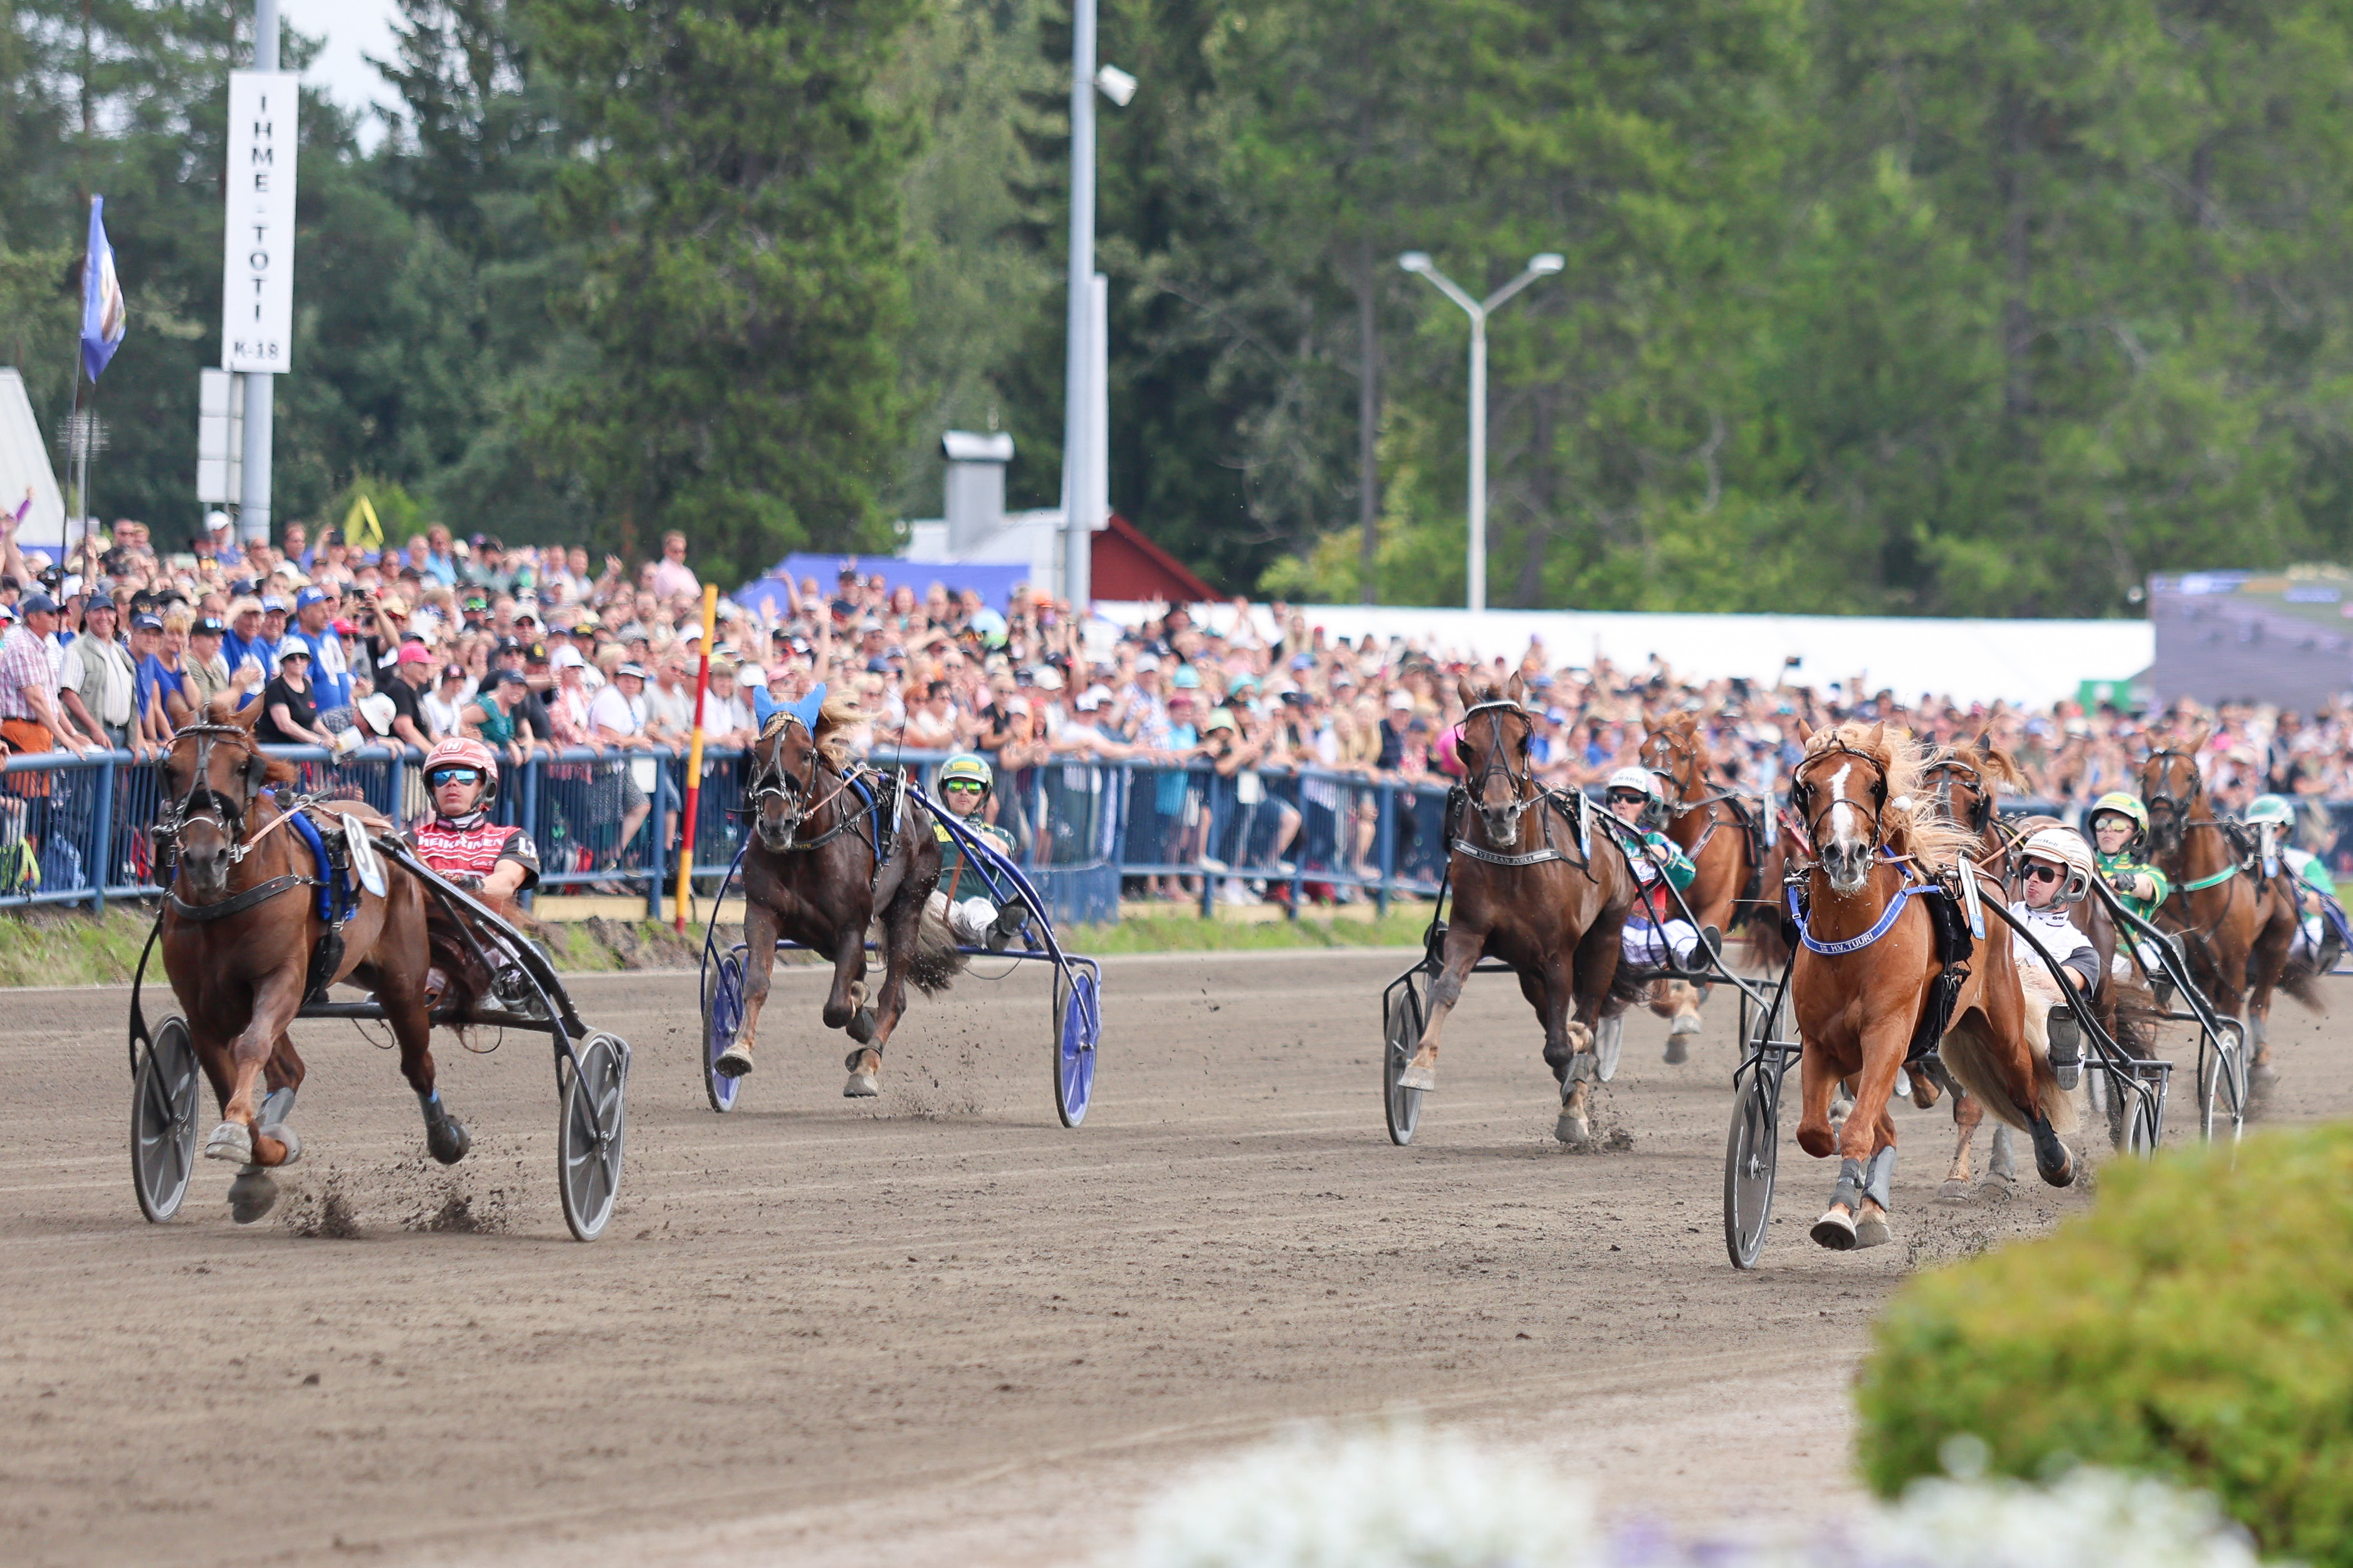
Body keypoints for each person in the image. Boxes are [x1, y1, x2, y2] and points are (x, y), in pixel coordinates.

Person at [2008, 826, 2103, 1085]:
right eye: (2028, 870)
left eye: (2046, 874)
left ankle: (2063, 1054)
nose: (2032, 879)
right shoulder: (1997, 914)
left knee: (2050, 1019)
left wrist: (2014, 969)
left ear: (2072, 885)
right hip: (1991, 1009)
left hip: (2036, 1025)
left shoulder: (2080, 949)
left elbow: (2059, 987)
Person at [1603, 766, 1710, 971]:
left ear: (1649, 805)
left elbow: (1686, 877)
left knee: (1681, 930)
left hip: (1644, 938)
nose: (1622, 804)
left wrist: (1664, 856)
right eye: (1616, 798)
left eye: (1632, 799)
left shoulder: (1656, 841)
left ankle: (1695, 963)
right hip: (1604, 933)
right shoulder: (1598, 838)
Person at [410, 735, 540, 900]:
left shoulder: (512, 838)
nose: (452, 783)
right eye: (441, 777)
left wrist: (472, 886)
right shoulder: (410, 840)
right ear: (432, 789)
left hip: (485, 916)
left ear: (485, 787)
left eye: (465, 776)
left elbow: (509, 881)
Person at [929, 753, 1027, 950]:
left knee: (979, 907)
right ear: (945, 791)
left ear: (983, 794)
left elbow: (1000, 848)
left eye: (973, 788)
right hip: (929, 912)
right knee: (925, 898)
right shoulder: (926, 826)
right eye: (956, 786)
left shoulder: (999, 834)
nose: (964, 792)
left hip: (967, 920)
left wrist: (972, 835)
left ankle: (996, 933)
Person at [0, 593, 92, 763]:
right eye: (51, 613)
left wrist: (72, 733)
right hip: (22, 730)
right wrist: (65, 739)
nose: (57, 617)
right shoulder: (23, 647)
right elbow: (36, 700)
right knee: (27, 781)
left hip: (41, 730)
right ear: (33, 618)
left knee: (41, 782)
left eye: (58, 613)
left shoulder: (42, 646)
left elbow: (51, 699)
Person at [256, 643, 330, 746]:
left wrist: (329, 736)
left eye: (302, 657)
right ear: (284, 662)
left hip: (302, 748)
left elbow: (312, 720)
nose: (298, 662)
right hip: (277, 748)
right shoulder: (276, 686)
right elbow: (285, 725)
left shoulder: (307, 683)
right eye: (292, 658)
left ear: (308, 662)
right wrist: (318, 740)